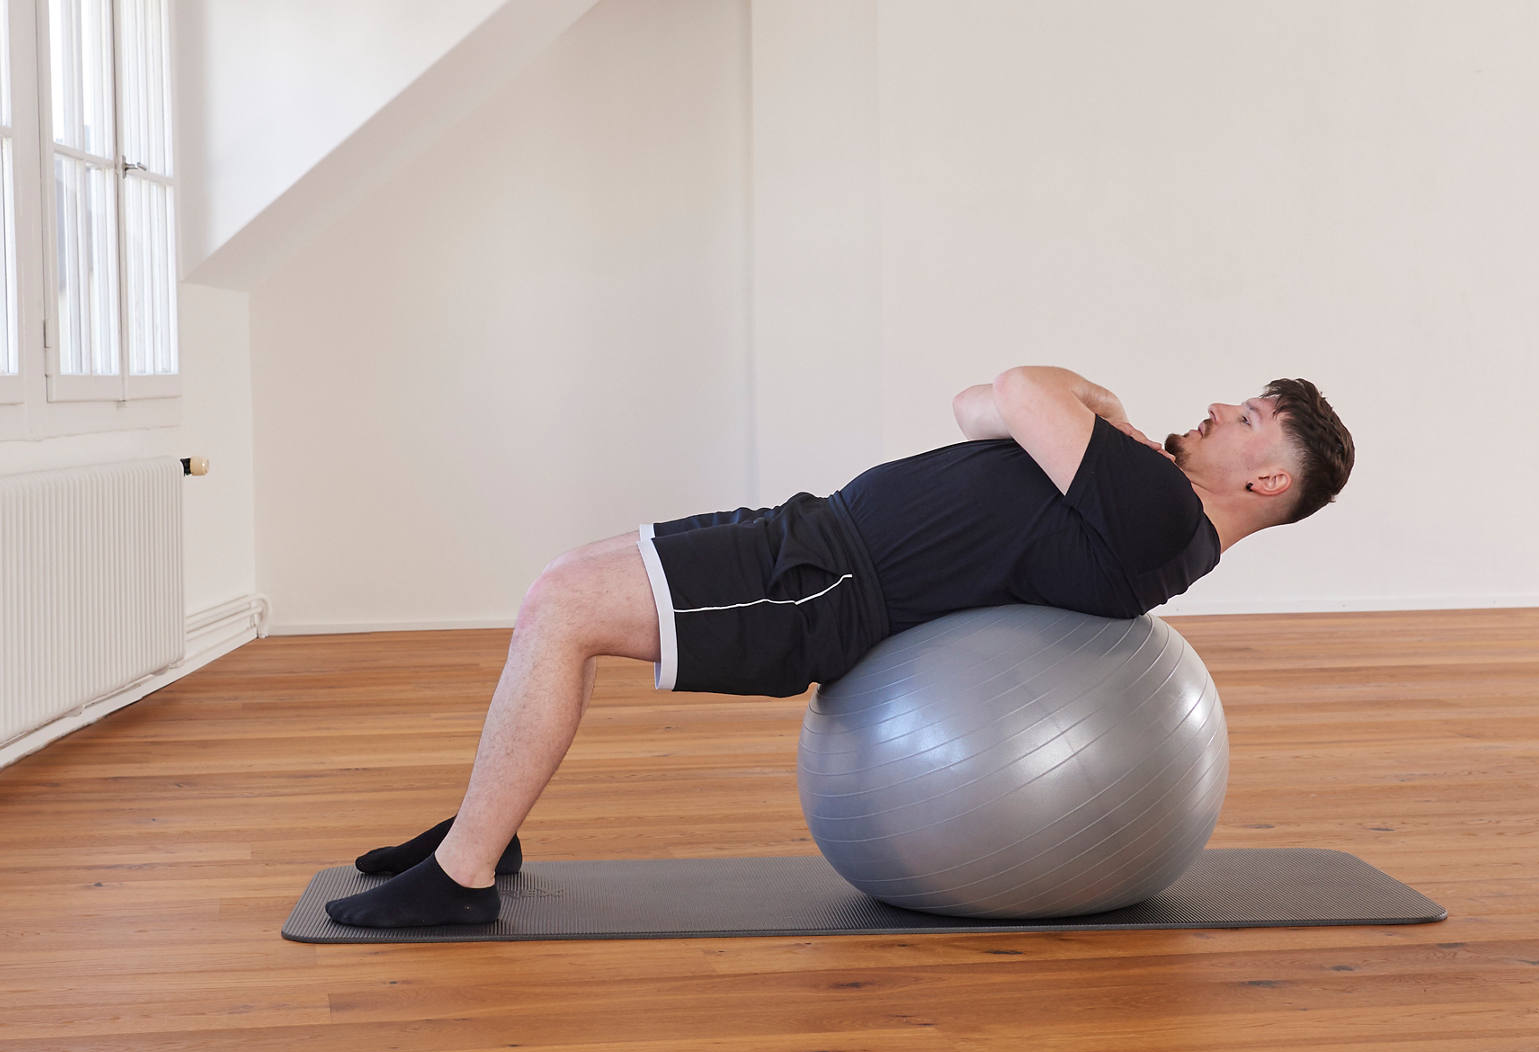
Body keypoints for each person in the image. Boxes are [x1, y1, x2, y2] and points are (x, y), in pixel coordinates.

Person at [326, 366, 1355, 928]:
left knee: (561, 606)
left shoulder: (1154, 508)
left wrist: (1103, 409)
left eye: (1250, 417)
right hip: (811, 540)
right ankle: (484, 827)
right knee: (558, 588)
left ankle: (460, 881)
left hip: (815, 585)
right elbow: (976, 405)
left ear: (1266, 483)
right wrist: (1066, 412)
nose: (1221, 407)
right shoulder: (1143, 509)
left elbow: (1021, 384)